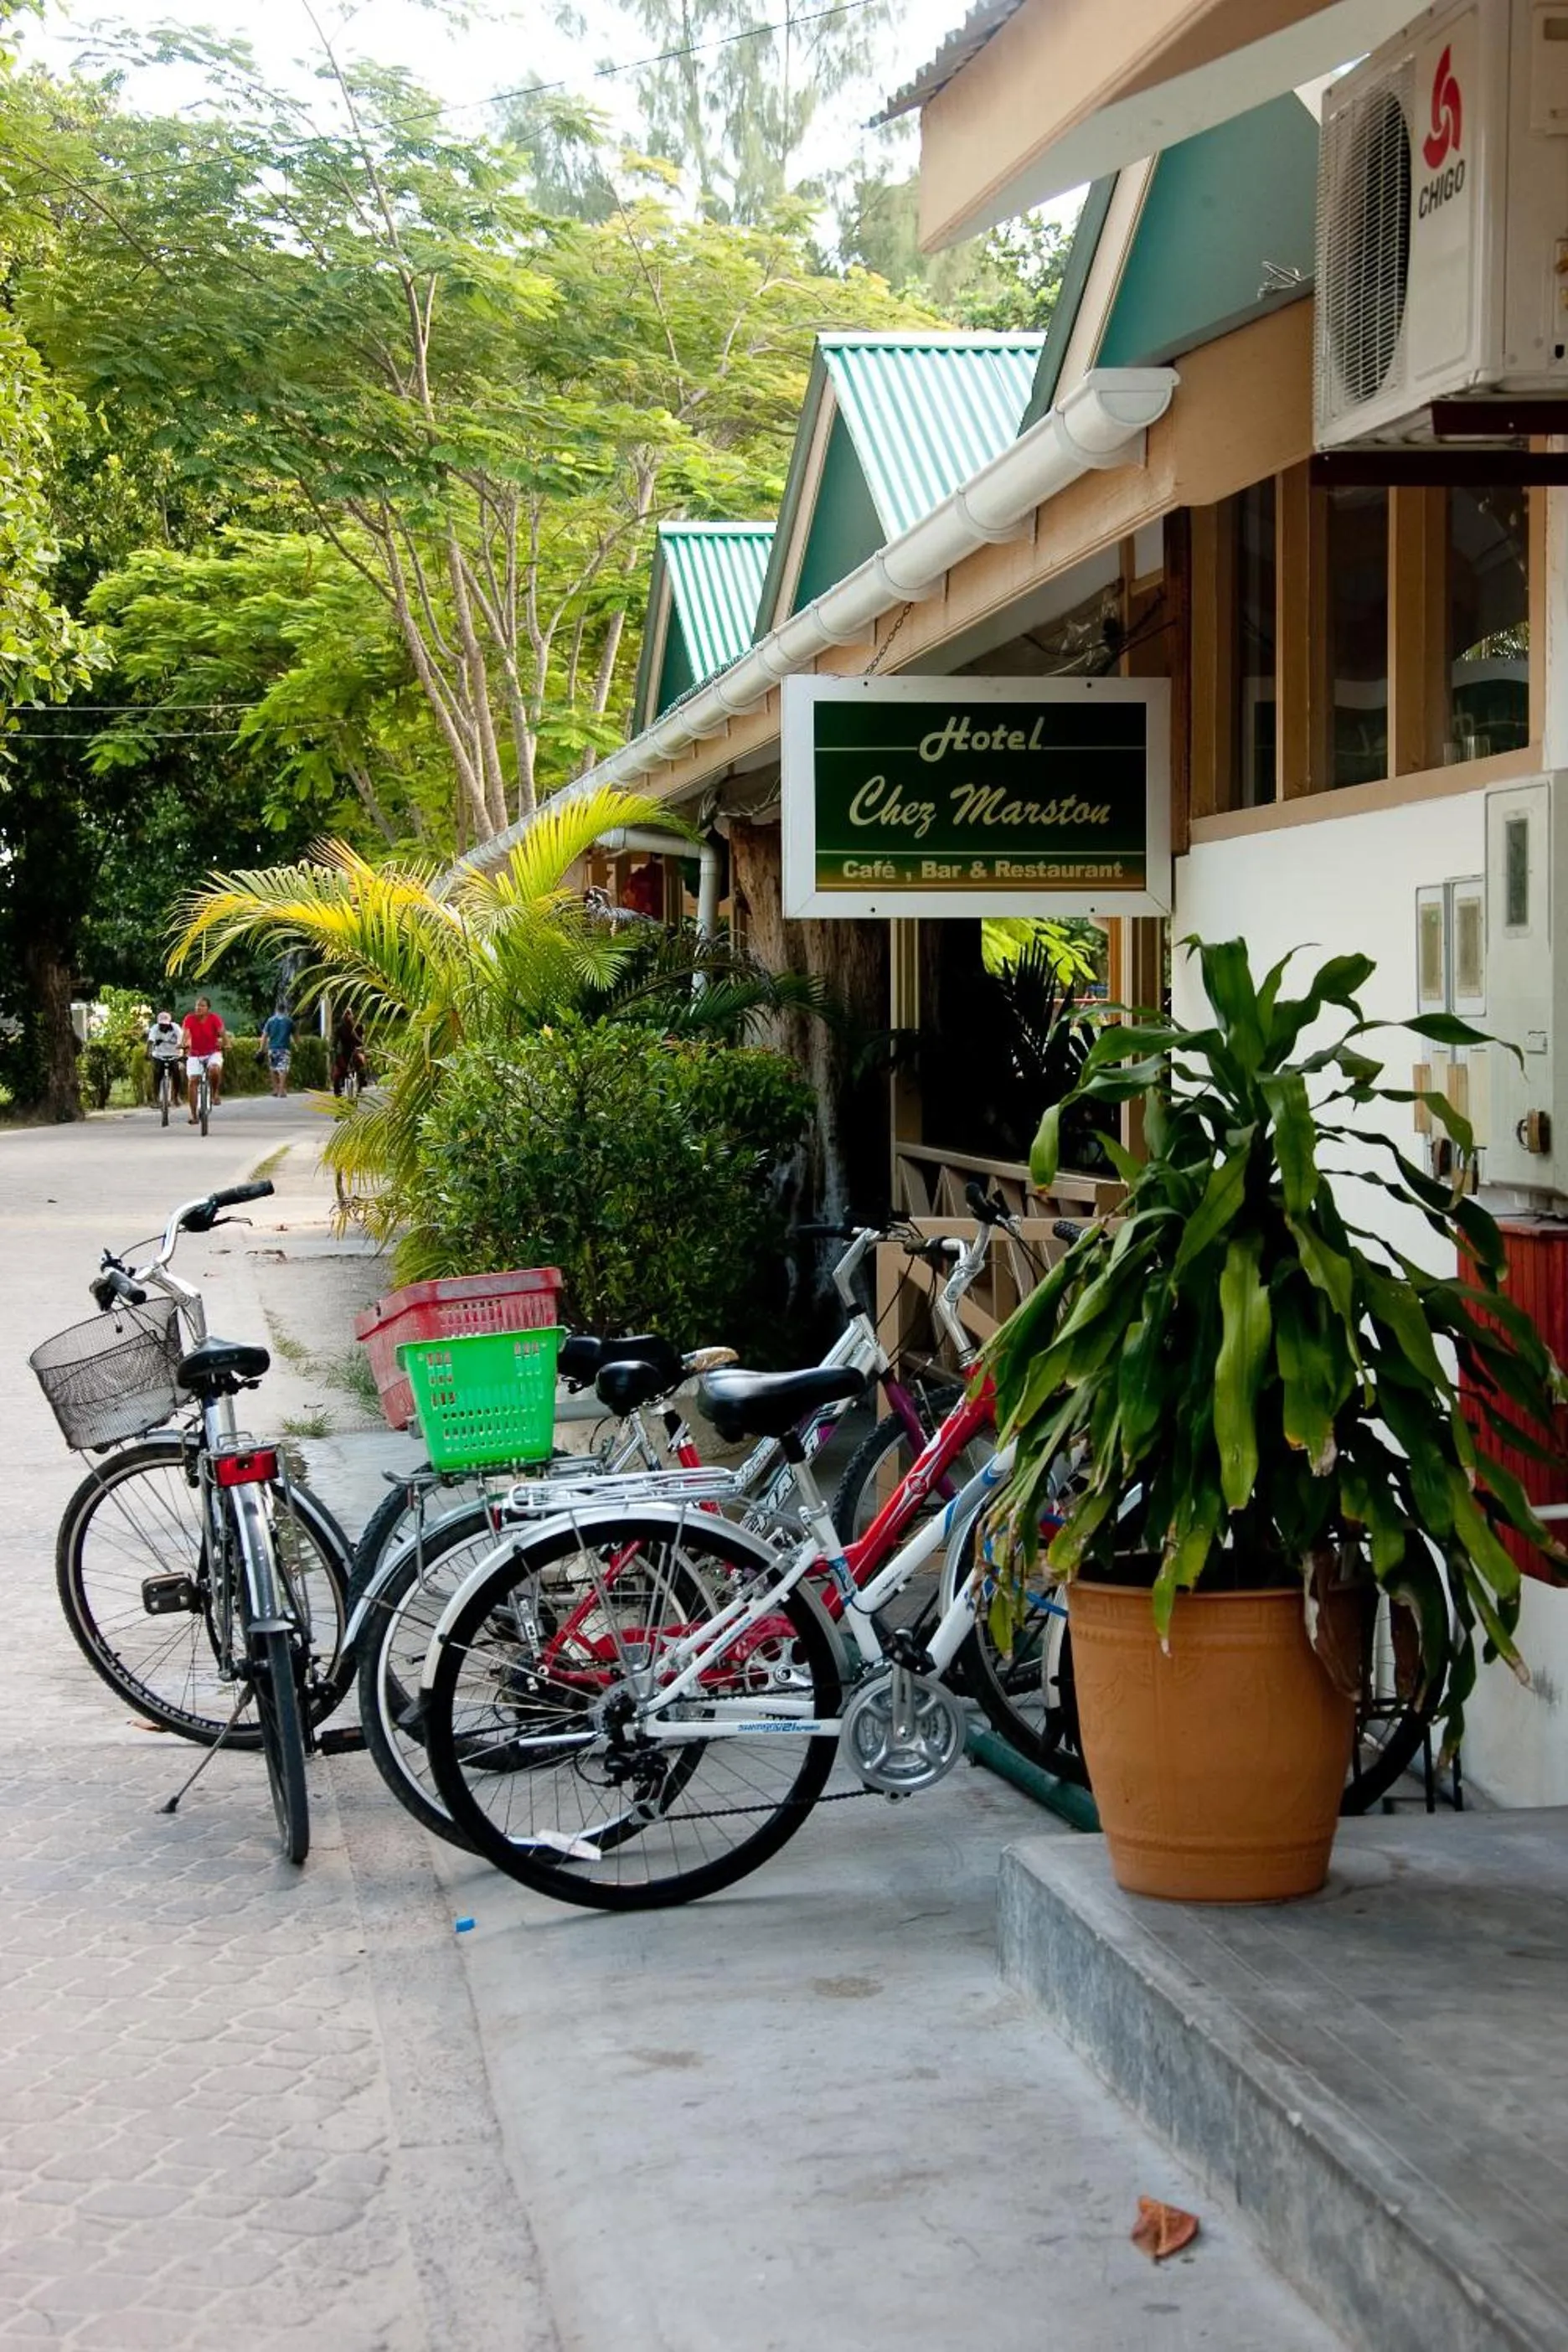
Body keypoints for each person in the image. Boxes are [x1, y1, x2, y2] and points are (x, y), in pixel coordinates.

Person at [181, 996, 225, 1122]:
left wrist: (227, 1043)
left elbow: (222, 1032)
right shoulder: (190, 1018)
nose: (198, 1008)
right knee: (193, 1081)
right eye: (197, 1005)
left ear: (208, 1008)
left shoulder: (214, 1018)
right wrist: (182, 1044)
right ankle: (194, 1115)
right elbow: (186, 1033)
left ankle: (215, 1093)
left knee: (214, 1069)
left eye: (202, 1005)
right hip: (194, 1053)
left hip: (212, 1052)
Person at [145, 1008, 183, 1103]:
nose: (164, 1027)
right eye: (161, 1025)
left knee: (176, 1072)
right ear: (158, 1023)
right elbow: (150, 1041)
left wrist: (183, 1051)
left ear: (169, 1023)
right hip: (159, 1055)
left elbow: (182, 1039)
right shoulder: (155, 1028)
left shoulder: (175, 1028)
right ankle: (156, 1098)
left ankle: (176, 1096)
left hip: (174, 1054)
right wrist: (148, 1053)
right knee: (157, 1074)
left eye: (165, 1025)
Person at [331, 1007, 369, 1096]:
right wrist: (334, 1049)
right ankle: (337, 1091)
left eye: (349, 1014)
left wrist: (362, 1048)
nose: (347, 1016)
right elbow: (335, 1042)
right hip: (344, 1052)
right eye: (346, 1014)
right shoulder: (340, 1028)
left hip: (356, 1050)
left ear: (352, 1015)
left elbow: (362, 1041)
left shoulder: (358, 1026)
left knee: (360, 1064)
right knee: (337, 1073)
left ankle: (360, 1085)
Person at [260, 1005, 295, 1098]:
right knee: (283, 1069)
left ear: (276, 1010)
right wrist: (297, 1045)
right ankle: (281, 1091)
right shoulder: (289, 1021)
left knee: (273, 1068)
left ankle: (276, 1089)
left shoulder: (270, 1021)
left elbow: (264, 1035)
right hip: (285, 1048)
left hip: (272, 1048)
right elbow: (296, 1035)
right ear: (285, 1010)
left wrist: (261, 1049)